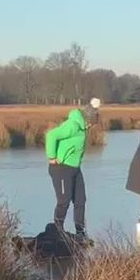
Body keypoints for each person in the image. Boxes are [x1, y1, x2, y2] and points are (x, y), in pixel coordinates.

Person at [45, 98, 99, 237]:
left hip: (75, 169)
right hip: (61, 168)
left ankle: (80, 232)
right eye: (91, 123)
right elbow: (51, 135)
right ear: (87, 119)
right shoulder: (73, 125)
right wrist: (52, 157)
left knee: (80, 200)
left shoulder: (82, 128)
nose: (91, 126)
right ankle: (57, 231)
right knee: (64, 201)